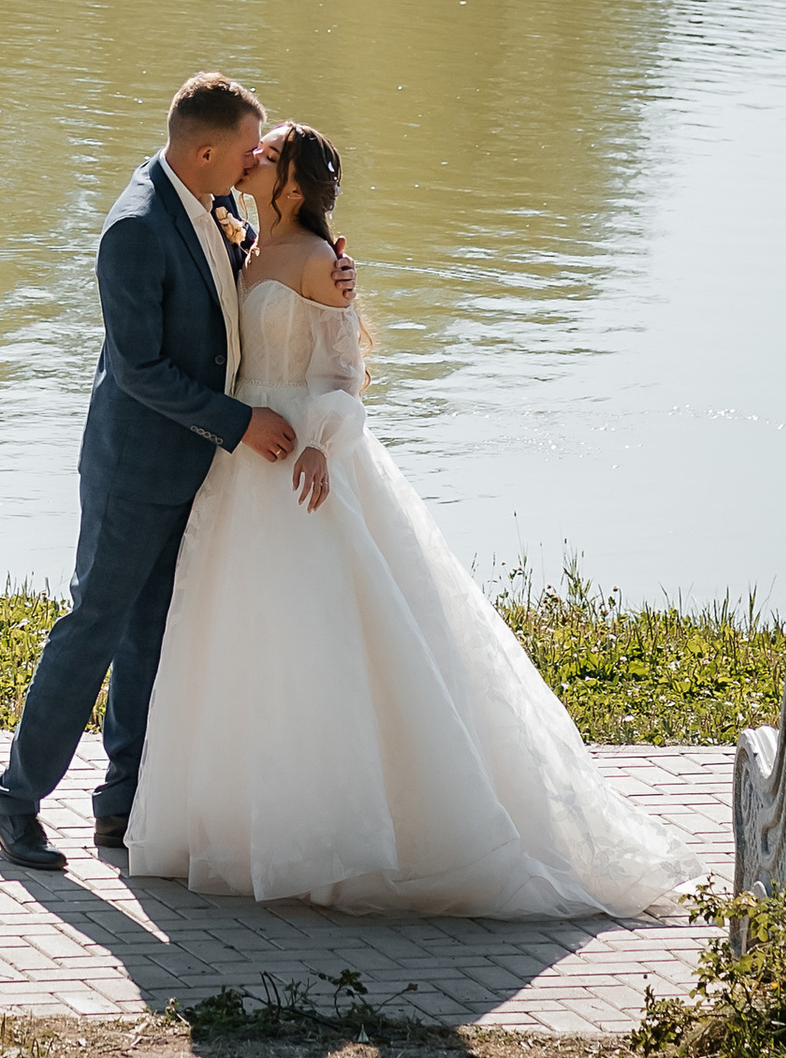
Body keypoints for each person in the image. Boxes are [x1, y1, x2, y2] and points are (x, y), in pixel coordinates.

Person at [124, 123, 699, 916]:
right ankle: (237, 827)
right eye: (251, 149)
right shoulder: (242, 240)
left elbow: (345, 374)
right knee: (241, 636)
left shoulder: (323, 266)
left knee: (321, 638)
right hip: (241, 461)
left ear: (289, 184)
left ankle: (338, 836)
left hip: (299, 456)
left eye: (268, 152)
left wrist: (322, 446)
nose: (252, 157)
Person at [0, 71, 345, 870]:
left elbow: (241, 302)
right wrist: (240, 422)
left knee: (151, 635)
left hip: (193, 470)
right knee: (93, 628)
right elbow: (141, 370)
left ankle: (121, 804)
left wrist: (318, 268)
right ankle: (13, 803)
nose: (257, 160)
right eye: (249, 148)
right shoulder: (136, 229)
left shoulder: (212, 208)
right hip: (134, 467)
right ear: (209, 151)